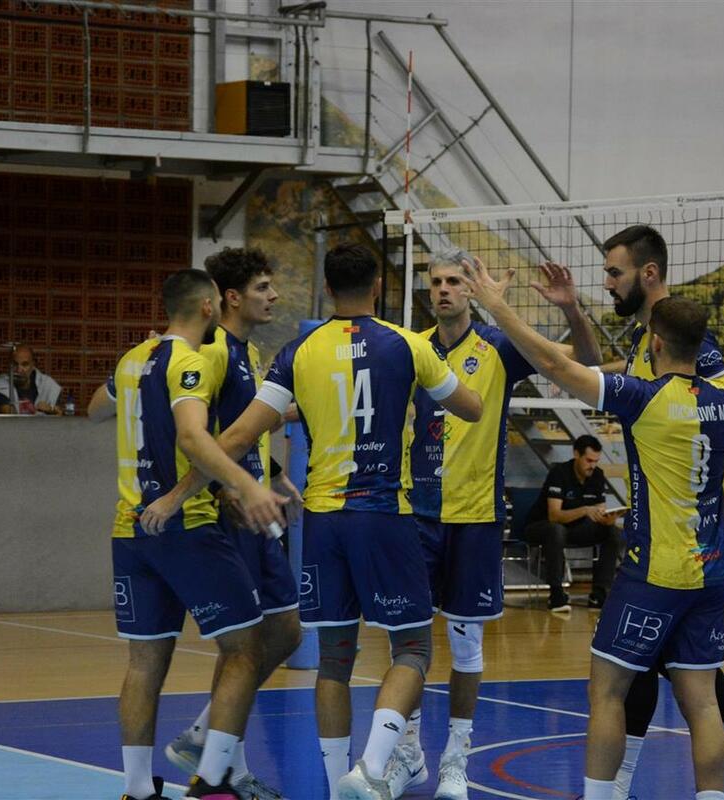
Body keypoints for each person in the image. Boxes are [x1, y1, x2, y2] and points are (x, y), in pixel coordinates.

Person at [143, 243, 483, 800]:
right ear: (378, 286)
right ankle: (372, 769)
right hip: (384, 515)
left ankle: (332, 784)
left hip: (324, 522)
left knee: (333, 661)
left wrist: (178, 494)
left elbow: (238, 435)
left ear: (326, 289)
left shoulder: (297, 351)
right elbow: (470, 406)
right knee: (413, 649)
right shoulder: (407, 344)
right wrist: (416, 389)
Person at [459, 255, 724, 800]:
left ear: (656, 344)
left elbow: (552, 362)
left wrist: (496, 306)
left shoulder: (641, 399)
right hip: (712, 572)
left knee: (607, 693)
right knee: (702, 702)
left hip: (653, 575)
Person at [549, 224, 724, 798]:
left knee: (631, 672)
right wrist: (572, 313)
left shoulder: (690, 344)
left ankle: (623, 784)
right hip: (675, 544)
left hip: (673, 542)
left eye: (614, 273)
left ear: (648, 273)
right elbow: (593, 365)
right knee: (673, 671)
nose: (608, 283)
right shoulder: (646, 340)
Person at [382, 248, 599, 800]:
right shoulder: (411, 348)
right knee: (407, 644)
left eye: (455, 281)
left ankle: (455, 759)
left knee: (466, 648)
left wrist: (571, 310)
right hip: (415, 514)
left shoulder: (499, 346)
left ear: (473, 290)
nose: (444, 289)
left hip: (475, 517)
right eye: (436, 281)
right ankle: (408, 753)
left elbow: (585, 360)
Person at [106, 269, 289, 800]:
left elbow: (97, 409)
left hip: (130, 528)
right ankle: (212, 782)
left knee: (144, 663)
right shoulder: (190, 360)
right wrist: (246, 486)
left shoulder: (132, 359)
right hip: (185, 525)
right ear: (212, 305)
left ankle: (137, 791)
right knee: (244, 649)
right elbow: (192, 436)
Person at [150, 248, 299, 800]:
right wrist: (222, 489)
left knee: (285, 633)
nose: (273, 296)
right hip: (230, 515)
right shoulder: (209, 353)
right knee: (244, 647)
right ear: (231, 298)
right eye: (262, 287)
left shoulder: (247, 352)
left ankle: (204, 734)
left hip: (257, 507)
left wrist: (273, 473)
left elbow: (240, 429)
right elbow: (197, 437)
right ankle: (222, 773)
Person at [522, 434, 622, 612]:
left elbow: (600, 509)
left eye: (596, 461)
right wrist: (584, 510)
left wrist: (607, 519)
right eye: (589, 460)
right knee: (556, 530)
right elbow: (554, 516)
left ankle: (599, 594)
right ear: (576, 454)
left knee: (613, 532)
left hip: (575, 529)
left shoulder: (597, 475)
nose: (592, 466)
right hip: (541, 526)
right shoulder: (559, 473)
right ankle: (556, 594)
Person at [0, 345, 61, 414]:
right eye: (15, 364)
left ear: (33, 365)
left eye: (25, 364)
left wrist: (51, 409)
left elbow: (59, 415)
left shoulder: (49, 386)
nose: (19, 370)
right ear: (9, 364)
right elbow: (7, 413)